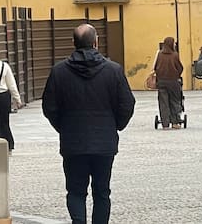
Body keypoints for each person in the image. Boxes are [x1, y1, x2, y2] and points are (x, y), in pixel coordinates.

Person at [42, 24, 135, 224]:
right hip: (104, 142)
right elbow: (127, 104)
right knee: (102, 192)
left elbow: (49, 107)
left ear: (73, 43)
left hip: (73, 142)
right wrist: (114, 125)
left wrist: (64, 127)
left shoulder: (59, 72)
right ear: (96, 42)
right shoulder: (113, 70)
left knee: (75, 191)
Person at [153, 36, 184, 129]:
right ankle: (175, 122)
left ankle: (165, 123)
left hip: (161, 82)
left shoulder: (159, 55)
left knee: (163, 103)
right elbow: (180, 68)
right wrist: (176, 74)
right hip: (173, 82)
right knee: (174, 101)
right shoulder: (175, 55)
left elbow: (155, 67)